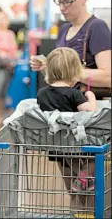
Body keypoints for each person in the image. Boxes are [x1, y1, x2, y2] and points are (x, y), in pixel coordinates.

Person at [30, 0, 111, 99]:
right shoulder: (64, 29)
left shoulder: (97, 27)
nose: (62, 8)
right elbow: (61, 80)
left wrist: (68, 71)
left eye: (67, 2)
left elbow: (108, 77)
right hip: (65, 104)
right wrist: (47, 67)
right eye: (59, 2)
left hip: (88, 107)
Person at [37, 47, 97, 211]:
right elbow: (90, 112)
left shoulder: (42, 93)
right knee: (93, 160)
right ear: (73, 71)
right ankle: (83, 179)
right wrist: (91, 97)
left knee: (70, 186)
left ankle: (74, 206)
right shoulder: (74, 94)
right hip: (76, 146)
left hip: (55, 145)